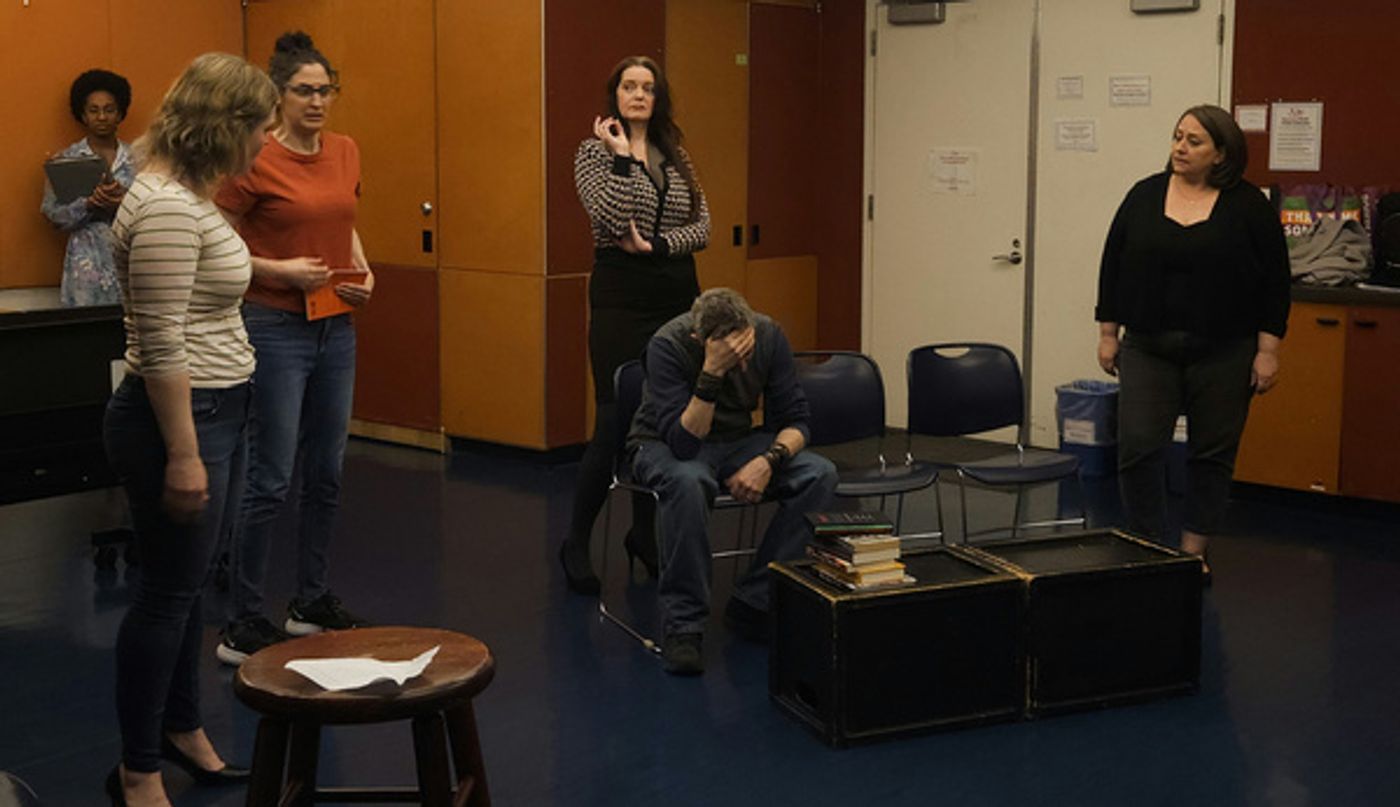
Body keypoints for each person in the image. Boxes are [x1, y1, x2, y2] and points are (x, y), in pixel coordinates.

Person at [103, 52, 278, 806]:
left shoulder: (186, 195)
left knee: (188, 586)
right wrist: (183, 454)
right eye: (260, 129)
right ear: (225, 126)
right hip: (184, 415)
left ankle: (184, 729)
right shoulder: (170, 206)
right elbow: (163, 339)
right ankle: (138, 769)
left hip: (217, 406)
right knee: (165, 596)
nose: (265, 144)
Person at [214, 31, 373, 665]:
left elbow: (345, 227)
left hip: (335, 323)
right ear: (277, 97)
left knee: (328, 471)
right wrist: (280, 273)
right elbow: (221, 247)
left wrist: (364, 272)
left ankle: (309, 600)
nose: (317, 102)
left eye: (326, 90)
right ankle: (243, 620)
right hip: (274, 325)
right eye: (304, 92)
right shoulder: (256, 157)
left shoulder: (345, 150)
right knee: (270, 477)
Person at [1095, 104, 1290, 580]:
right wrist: (1107, 333)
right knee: (1139, 446)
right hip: (1148, 346)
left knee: (1211, 453)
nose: (1180, 148)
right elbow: (1112, 263)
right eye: (1178, 137)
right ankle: (1147, 548)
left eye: (1194, 141)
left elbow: (1275, 283)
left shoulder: (1249, 207)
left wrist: (1268, 351)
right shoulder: (1144, 195)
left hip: (1226, 350)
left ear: (1221, 154)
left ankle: (1191, 553)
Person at [560, 55, 711, 595]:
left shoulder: (676, 153)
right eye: (629, 85)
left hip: (676, 293)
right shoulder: (593, 153)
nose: (639, 94)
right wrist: (623, 157)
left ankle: (643, 535)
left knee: (664, 417)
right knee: (614, 418)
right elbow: (606, 215)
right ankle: (577, 539)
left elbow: (704, 223)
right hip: (622, 298)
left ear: (658, 95)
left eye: (648, 87)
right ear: (615, 94)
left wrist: (660, 243)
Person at [627, 288, 837, 675]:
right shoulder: (668, 344)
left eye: (745, 350)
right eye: (730, 353)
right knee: (689, 482)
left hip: (736, 441)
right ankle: (684, 627)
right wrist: (712, 372)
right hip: (663, 441)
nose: (742, 362)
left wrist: (768, 460)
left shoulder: (769, 335)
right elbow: (685, 443)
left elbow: (797, 421)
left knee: (818, 473)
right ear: (698, 339)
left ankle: (755, 601)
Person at [41, 69, 136, 307]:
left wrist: (123, 203)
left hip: (133, 265)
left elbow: (157, 210)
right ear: (82, 115)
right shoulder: (66, 161)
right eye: (94, 110)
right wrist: (89, 204)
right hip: (85, 270)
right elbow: (53, 215)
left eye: (109, 109)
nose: (101, 117)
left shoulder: (140, 160)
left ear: (120, 113)